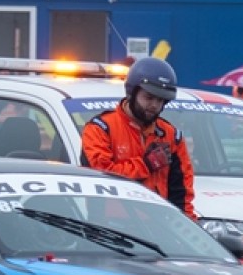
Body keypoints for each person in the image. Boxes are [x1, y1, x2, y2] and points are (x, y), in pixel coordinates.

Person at [80, 57, 197, 220]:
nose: (154, 105)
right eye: (149, 97)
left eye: (160, 100)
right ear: (132, 92)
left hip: (159, 225)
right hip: (109, 225)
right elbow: (102, 176)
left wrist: (188, 226)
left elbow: (182, 193)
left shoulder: (171, 136)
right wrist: (146, 164)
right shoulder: (100, 129)